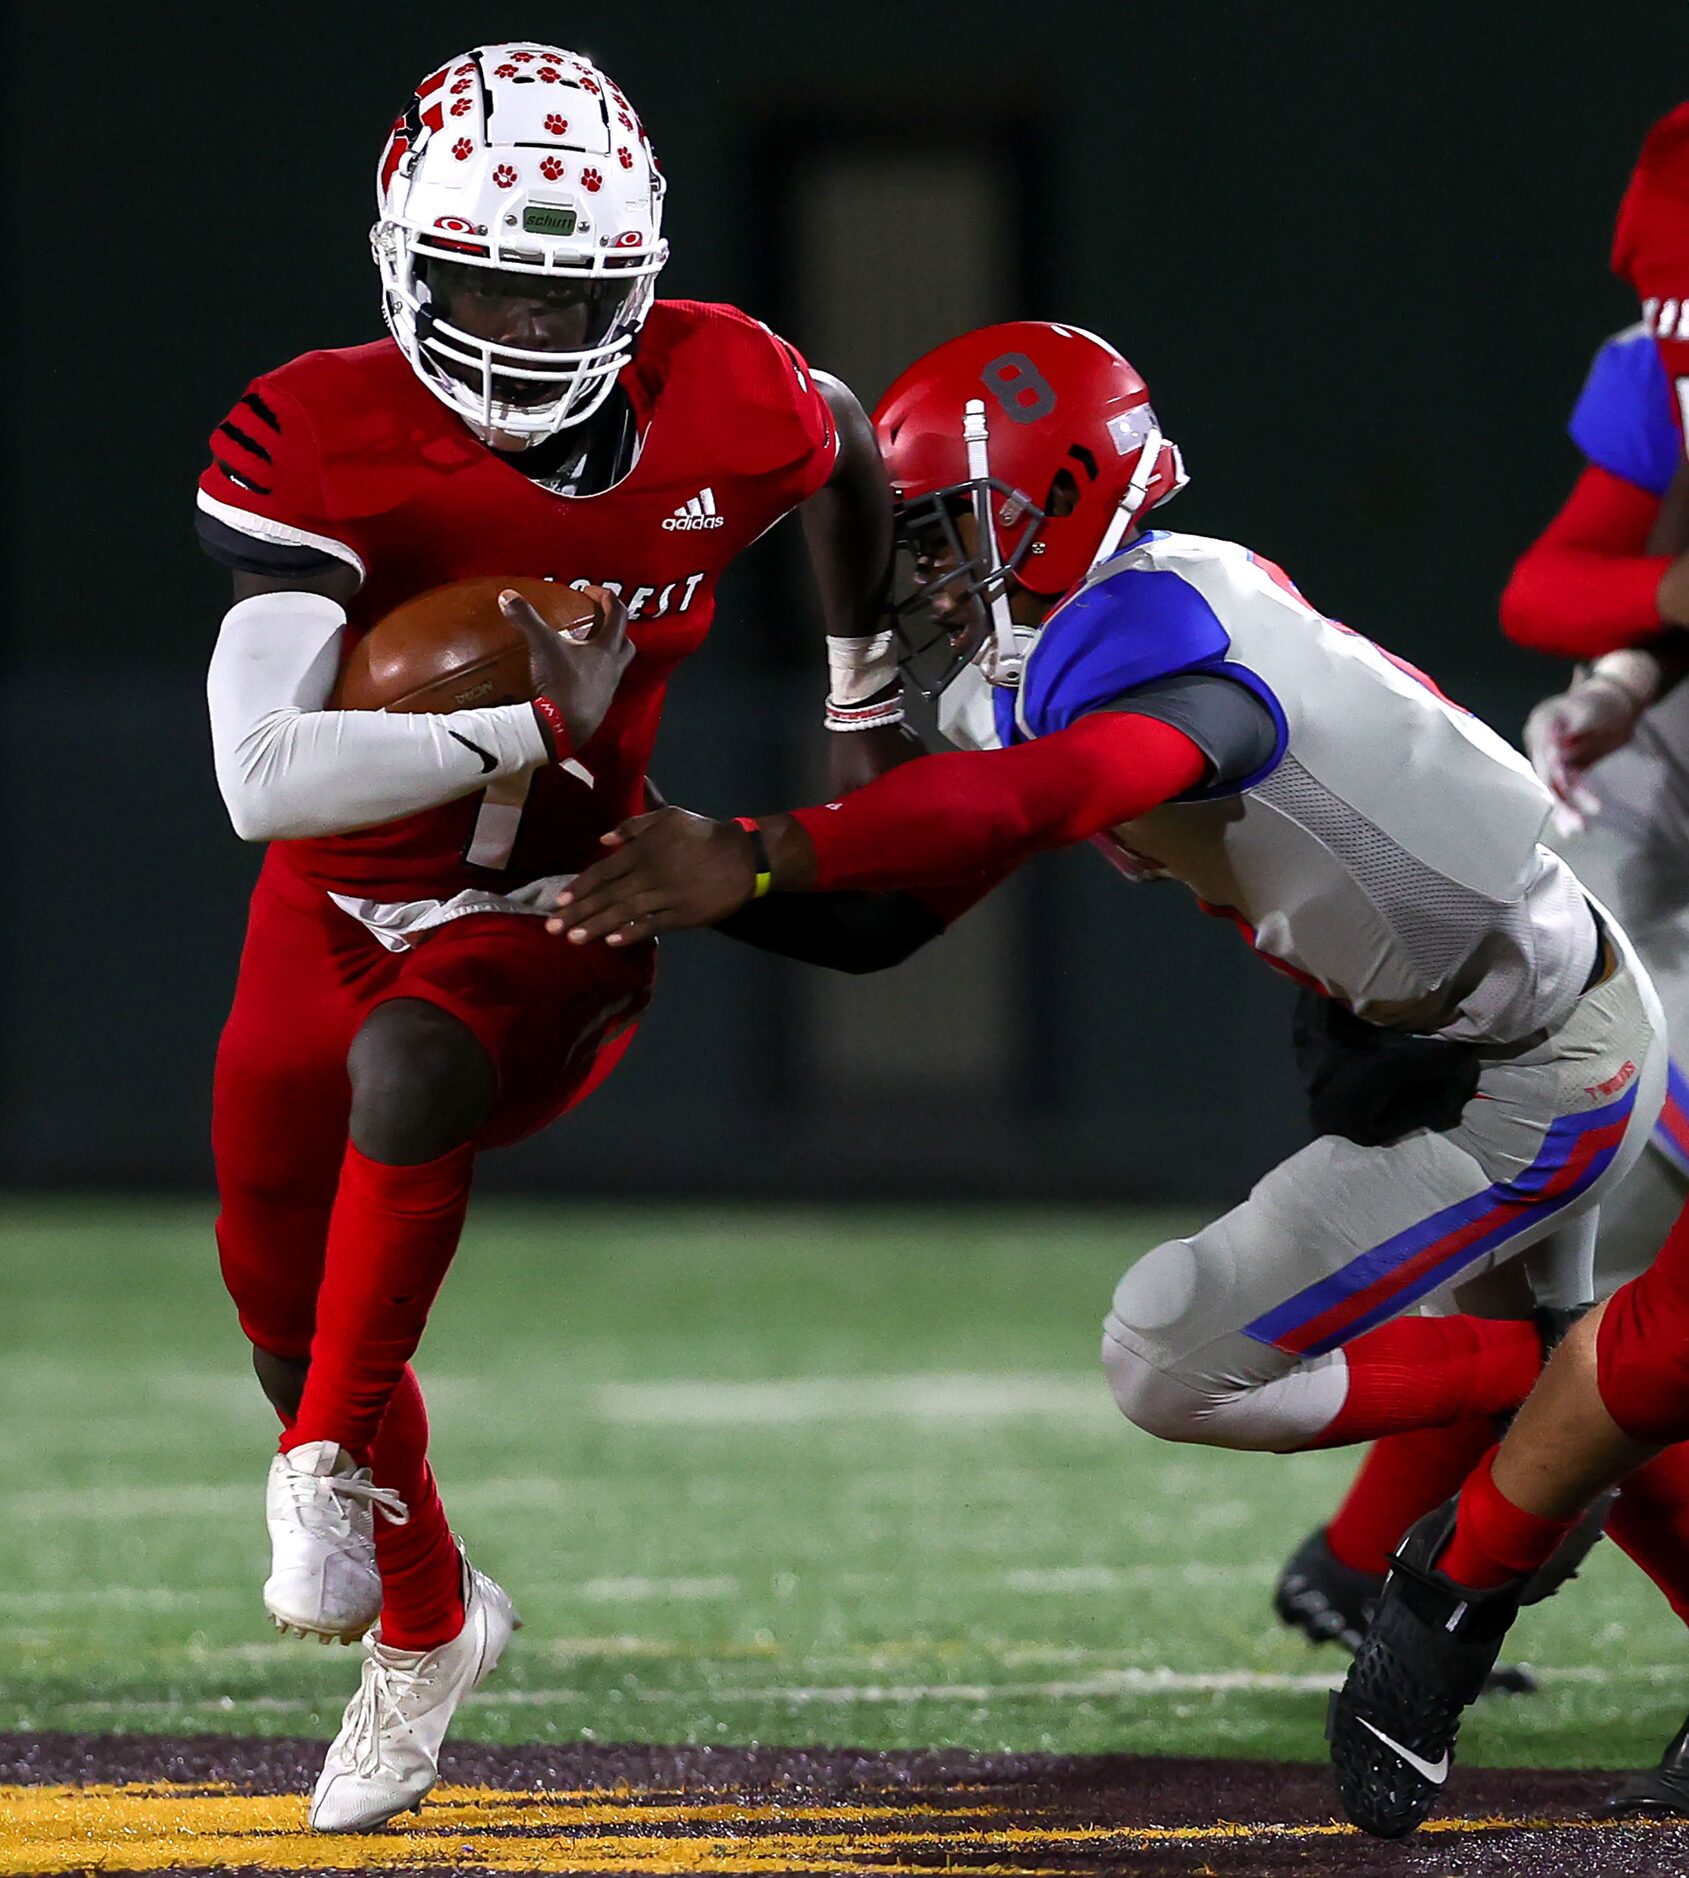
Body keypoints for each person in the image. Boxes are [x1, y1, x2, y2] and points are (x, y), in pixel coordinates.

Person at [543, 318, 1664, 1501]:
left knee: (1173, 1359)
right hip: (1468, 1034)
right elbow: (884, 925)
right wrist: (639, 828)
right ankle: (1561, 1414)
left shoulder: (1175, 634)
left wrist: (761, 851)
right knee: (1577, 1480)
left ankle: (1570, 1374)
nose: (924, 577)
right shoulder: (1054, 666)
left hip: (1544, 1058)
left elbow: (1051, 793)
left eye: (944, 535)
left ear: (1063, 494)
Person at [198, 41, 900, 1832]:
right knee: (279, 1294)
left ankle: (321, 1463)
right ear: (401, 261)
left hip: (570, 893)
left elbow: (840, 446)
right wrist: (529, 721)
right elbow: (262, 777)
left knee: (412, 1064)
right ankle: (430, 1627)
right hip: (340, 889)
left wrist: (864, 685)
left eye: (562, 282)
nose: (519, 316)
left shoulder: (723, 391)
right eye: (484, 272)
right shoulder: (320, 426)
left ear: (636, 280)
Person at [1276, 101, 1689, 1715]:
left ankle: (1394, 1548)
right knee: (1572, 1184)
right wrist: (1646, 634)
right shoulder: (1652, 360)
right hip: (1657, 804)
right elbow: (1552, 578)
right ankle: (1397, 1549)